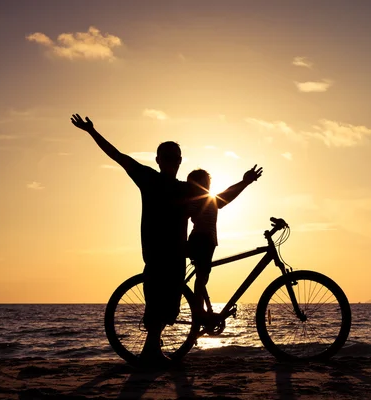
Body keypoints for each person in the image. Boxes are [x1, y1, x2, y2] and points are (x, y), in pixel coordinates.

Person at [70, 114, 196, 366]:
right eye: (168, 158)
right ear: (161, 160)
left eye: (173, 158)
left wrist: (244, 183)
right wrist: (92, 132)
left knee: (167, 306)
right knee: (162, 303)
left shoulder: (178, 186)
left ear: (175, 161)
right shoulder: (155, 180)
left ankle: (152, 349)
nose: (171, 162)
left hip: (168, 253)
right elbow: (118, 156)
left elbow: (219, 201)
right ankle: (151, 351)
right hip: (162, 254)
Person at [185, 165, 263, 318]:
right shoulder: (196, 201)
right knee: (201, 276)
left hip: (207, 241)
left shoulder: (210, 200)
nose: (205, 188)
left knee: (203, 275)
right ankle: (198, 311)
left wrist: (244, 182)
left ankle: (199, 310)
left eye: (206, 184)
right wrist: (245, 182)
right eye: (201, 184)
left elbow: (227, 194)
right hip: (202, 240)